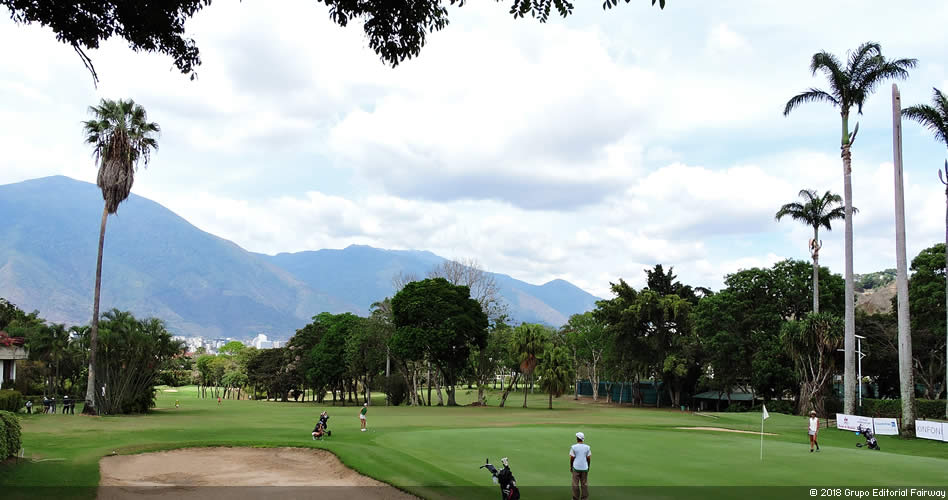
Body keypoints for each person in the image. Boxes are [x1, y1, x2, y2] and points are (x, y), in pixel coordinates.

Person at [570, 432, 591, 500]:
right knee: (584, 484)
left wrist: (571, 466)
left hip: (576, 468)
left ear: (577, 438)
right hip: (584, 468)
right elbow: (588, 458)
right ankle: (584, 498)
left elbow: (572, 458)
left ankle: (575, 498)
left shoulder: (574, 447)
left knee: (575, 485)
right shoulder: (587, 447)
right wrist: (588, 466)